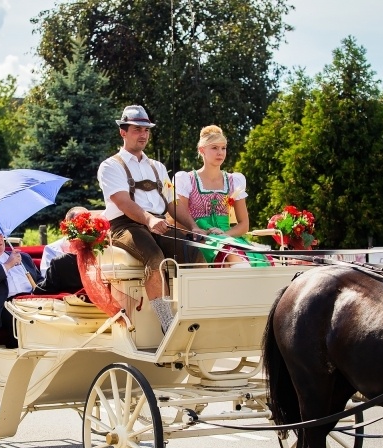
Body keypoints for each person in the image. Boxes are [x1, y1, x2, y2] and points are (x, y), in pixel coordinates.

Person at [97, 105, 202, 333]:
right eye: (137, 129)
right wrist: (149, 220)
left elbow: (172, 204)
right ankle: (168, 324)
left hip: (158, 223)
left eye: (146, 130)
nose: (143, 134)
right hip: (125, 225)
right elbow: (123, 202)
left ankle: (194, 316)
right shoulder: (110, 166)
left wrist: (193, 226)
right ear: (123, 132)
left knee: (193, 251)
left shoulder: (158, 167)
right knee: (154, 257)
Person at [173, 125, 270, 268]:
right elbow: (179, 219)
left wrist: (225, 234)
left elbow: (244, 224)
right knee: (232, 255)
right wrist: (201, 230)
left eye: (223, 148)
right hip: (201, 239)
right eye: (214, 148)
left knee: (257, 260)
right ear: (202, 150)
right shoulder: (186, 180)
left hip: (228, 237)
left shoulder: (234, 180)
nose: (220, 153)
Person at [33, 206, 89, 295]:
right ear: (68, 224)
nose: (84, 225)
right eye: (79, 221)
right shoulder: (51, 249)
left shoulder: (95, 247)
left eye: (88, 221)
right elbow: (47, 278)